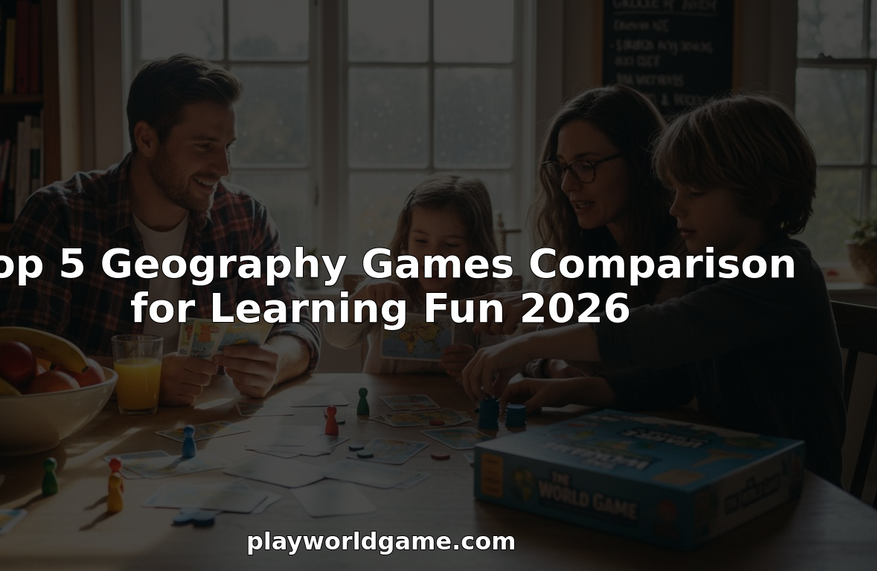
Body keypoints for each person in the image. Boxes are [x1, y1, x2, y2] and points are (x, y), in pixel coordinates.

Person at [461, 94, 847, 485]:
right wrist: (569, 390)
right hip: (731, 467)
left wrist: (529, 345)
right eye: (674, 190)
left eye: (695, 192)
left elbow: (664, 329)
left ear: (765, 194)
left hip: (800, 487)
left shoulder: (785, 272)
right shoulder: (709, 266)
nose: (676, 207)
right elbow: (670, 381)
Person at [0, 54, 320, 405]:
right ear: (146, 139)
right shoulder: (58, 214)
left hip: (209, 427)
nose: (224, 167)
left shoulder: (245, 216)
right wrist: (142, 377)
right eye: (204, 146)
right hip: (93, 429)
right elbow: (21, 358)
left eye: (227, 147)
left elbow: (299, 327)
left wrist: (276, 362)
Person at [479, 84, 686, 378]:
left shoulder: (684, 244)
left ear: (640, 161)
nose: (567, 185)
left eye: (586, 165)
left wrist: (554, 321)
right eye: (562, 167)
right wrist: (551, 364)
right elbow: (530, 351)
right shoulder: (581, 243)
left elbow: (658, 368)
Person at [324, 173, 506, 378]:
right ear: (405, 239)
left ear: (475, 248)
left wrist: (476, 364)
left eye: (450, 244)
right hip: (383, 398)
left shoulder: (486, 296)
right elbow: (336, 337)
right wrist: (362, 299)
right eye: (421, 241)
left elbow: (497, 369)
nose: (433, 256)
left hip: (452, 398)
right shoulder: (385, 285)